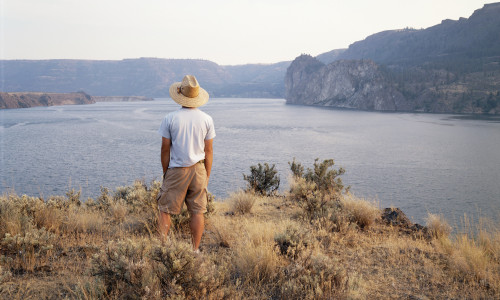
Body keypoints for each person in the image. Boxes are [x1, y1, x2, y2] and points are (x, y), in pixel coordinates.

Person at [156, 75, 215, 252]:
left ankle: (164, 249)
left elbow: (165, 149)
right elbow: (209, 151)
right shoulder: (207, 119)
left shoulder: (170, 118)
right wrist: (207, 175)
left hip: (177, 169)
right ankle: (195, 250)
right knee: (197, 211)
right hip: (199, 169)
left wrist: (166, 172)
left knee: (165, 209)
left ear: (180, 95)